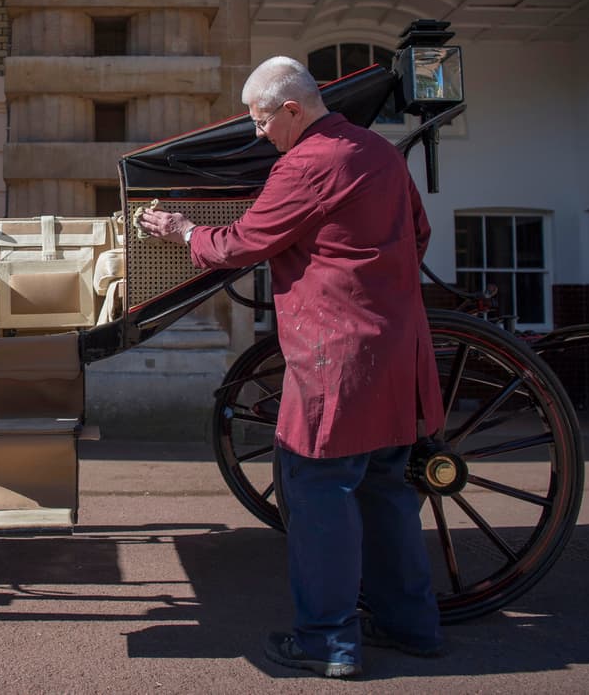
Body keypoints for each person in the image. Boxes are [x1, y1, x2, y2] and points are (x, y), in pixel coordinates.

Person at [139, 56, 445, 679]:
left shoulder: (307, 162)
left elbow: (242, 244)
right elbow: (420, 231)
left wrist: (180, 229)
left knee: (316, 492)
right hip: (397, 351)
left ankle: (328, 642)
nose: (256, 134)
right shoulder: (379, 151)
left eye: (259, 121)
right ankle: (410, 625)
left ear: (291, 110)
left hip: (336, 356)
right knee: (387, 489)